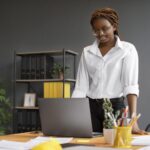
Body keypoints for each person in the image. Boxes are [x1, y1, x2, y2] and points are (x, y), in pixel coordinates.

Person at [72, 7, 147, 134]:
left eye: (104, 28)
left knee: (116, 145)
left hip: (115, 108)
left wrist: (133, 120)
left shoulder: (127, 50)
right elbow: (80, 88)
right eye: (96, 30)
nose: (100, 33)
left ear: (114, 26)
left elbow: (130, 86)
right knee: (88, 146)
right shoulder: (87, 52)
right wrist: (71, 115)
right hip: (90, 109)